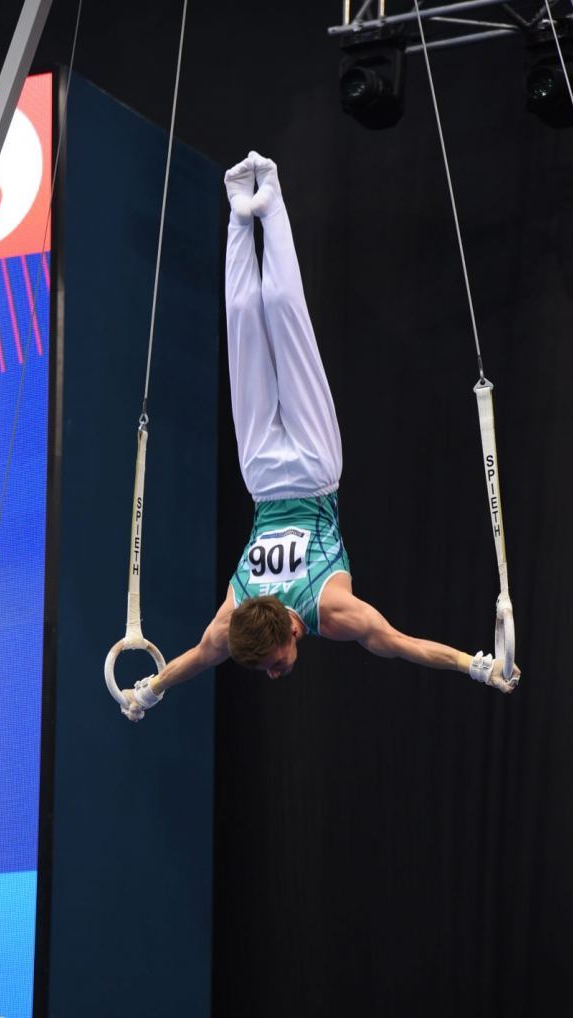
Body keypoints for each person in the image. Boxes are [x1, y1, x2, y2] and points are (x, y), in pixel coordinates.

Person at [121, 151, 520, 721]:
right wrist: (476, 665)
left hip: (267, 476)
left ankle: (243, 213)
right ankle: (266, 203)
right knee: (283, 317)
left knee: (250, 326)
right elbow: (401, 644)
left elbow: (402, 644)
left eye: (272, 661)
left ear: (284, 623)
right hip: (305, 470)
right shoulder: (264, 620)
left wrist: (150, 689)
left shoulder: (317, 612)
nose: (274, 671)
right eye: (271, 667)